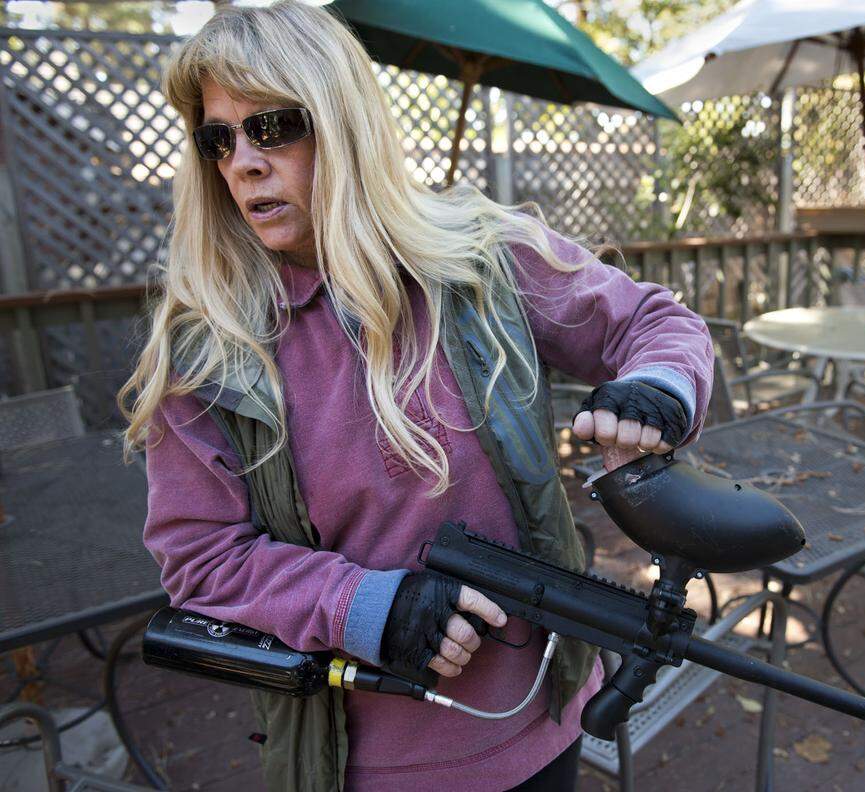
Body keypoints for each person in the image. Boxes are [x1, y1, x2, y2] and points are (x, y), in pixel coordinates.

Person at [119, 2, 713, 790]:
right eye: (217, 138)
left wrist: (660, 387)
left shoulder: (482, 260)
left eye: (272, 128)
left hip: (545, 717)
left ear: (345, 122)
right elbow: (201, 562)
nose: (242, 163)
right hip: (369, 761)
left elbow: (648, 321)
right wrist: (365, 606)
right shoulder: (209, 351)